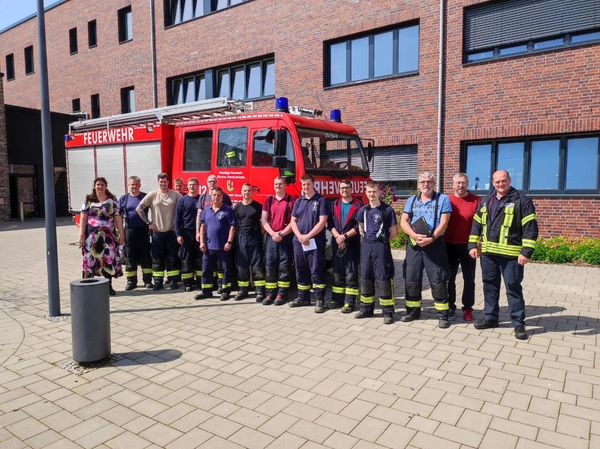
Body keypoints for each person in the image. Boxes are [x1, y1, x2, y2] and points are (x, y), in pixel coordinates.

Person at [469, 170, 538, 340]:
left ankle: (518, 324)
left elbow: (530, 228)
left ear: (509, 180)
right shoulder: (486, 200)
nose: (501, 184)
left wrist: (526, 252)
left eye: (503, 181)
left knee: (513, 289)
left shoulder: (522, 200)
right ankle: (491, 318)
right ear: (493, 183)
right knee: (489, 287)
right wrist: (472, 244)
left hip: (511, 257)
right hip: (488, 255)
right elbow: (477, 224)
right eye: (497, 182)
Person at [400, 171, 452, 328]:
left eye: (428, 181)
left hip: (434, 244)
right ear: (418, 184)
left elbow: (444, 223)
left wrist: (432, 238)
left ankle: (443, 314)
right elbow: (403, 221)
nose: (425, 184)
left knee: (437, 280)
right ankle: (412, 311)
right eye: (422, 182)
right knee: (411, 279)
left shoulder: (443, 199)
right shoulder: (411, 200)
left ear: (433, 183)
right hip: (414, 245)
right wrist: (414, 236)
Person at [356, 181, 398, 324]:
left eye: (374, 191)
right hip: (366, 246)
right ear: (366, 193)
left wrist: (382, 242)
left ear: (380, 192)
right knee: (365, 277)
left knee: (383, 278)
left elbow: (394, 232)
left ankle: (387, 312)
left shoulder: (387, 210)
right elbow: (361, 228)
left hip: (381, 247)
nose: (371, 194)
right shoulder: (363, 210)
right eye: (369, 191)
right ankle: (366, 309)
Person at [79, 177, 125, 295]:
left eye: (102, 184)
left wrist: (122, 234)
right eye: (98, 184)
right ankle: (88, 287)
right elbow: (83, 218)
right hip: (91, 236)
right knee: (90, 260)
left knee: (108, 260)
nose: (100, 187)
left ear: (106, 186)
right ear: (94, 186)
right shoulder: (88, 200)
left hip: (108, 237)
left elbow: (118, 218)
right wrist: (81, 236)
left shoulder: (113, 200)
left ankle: (108, 287)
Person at [136, 173, 182, 290]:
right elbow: (139, 208)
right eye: (161, 182)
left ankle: (173, 281)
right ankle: (158, 282)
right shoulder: (153, 195)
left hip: (171, 232)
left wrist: (177, 225)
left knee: (172, 258)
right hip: (157, 233)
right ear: (158, 182)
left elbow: (183, 209)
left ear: (168, 182)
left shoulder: (175, 195)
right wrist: (149, 223)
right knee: (157, 258)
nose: (163, 184)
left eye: (165, 181)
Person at [290, 174, 328, 313]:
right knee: (301, 269)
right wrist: (300, 236)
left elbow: (322, 221)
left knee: (316, 270)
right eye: (303, 185)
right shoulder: (298, 201)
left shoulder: (321, 200)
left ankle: (319, 299)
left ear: (313, 184)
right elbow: (293, 221)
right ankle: (303, 297)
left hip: (315, 241)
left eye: (308, 184)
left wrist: (308, 236)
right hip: (299, 241)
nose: (305, 187)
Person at [445, 173, 480, 321]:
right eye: (458, 183)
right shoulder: (446, 200)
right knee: (449, 278)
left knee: (469, 278)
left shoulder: (476, 201)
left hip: (468, 246)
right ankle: (450, 306)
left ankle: (467, 308)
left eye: (463, 183)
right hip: (448, 245)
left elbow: (481, 224)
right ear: (453, 184)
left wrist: (478, 243)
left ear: (467, 183)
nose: (461, 185)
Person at [195, 187, 236, 301]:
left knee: (225, 270)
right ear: (211, 196)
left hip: (224, 247)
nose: (216, 197)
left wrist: (229, 242)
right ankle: (206, 292)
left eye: (218, 195)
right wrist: (202, 242)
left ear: (222, 197)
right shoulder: (206, 210)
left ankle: (225, 292)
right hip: (208, 247)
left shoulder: (228, 210)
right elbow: (203, 227)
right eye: (214, 195)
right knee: (206, 269)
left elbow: (232, 227)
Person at [261, 176, 296, 306]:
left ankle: (282, 293)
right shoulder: (268, 200)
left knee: (284, 266)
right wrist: (273, 234)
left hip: (285, 237)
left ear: (285, 185)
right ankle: (270, 293)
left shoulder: (292, 201)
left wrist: (281, 233)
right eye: (276, 184)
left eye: (280, 184)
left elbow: (293, 221)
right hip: (271, 237)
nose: (278, 186)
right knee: (270, 265)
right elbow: (264, 220)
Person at [329, 179, 362, 312]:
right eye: (342, 188)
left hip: (352, 244)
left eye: (347, 188)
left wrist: (345, 236)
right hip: (337, 243)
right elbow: (330, 224)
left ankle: (349, 302)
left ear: (351, 189)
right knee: (337, 273)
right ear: (339, 189)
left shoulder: (358, 205)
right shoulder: (334, 204)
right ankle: (337, 300)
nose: (344, 190)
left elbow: (359, 226)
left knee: (351, 274)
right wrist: (338, 237)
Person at [119, 176, 153, 290]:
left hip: (143, 230)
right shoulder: (124, 198)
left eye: (136, 184)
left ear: (140, 185)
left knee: (146, 256)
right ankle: (131, 282)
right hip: (130, 230)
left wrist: (152, 223)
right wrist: (120, 233)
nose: (134, 186)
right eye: (132, 184)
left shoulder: (145, 197)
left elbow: (155, 209)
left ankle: (148, 280)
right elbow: (118, 216)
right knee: (130, 257)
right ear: (128, 185)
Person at [233, 184, 266, 301]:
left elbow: (263, 224)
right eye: (245, 191)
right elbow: (234, 225)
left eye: (249, 191)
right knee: (242, 266)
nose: (247, 192)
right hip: (241, 238)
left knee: (257, 266)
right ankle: (243, 290)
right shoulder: (237, 207)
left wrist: (259, 236)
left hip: (255, 238)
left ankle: (260, 291)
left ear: (252, 192)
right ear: (241, 192)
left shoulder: (258, 207)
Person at [175, 177, 202, 292]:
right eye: (190, 185)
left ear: (197, 186)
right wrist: (178, 234)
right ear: (187, 186)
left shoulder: (201, 199)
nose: (192, 186)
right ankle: (188, 283)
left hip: (199, 233)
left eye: (194, 185)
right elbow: (177, 219)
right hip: (186, 233)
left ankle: (201, 282)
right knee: (186, 258)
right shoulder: (182, 200)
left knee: (200, 258)